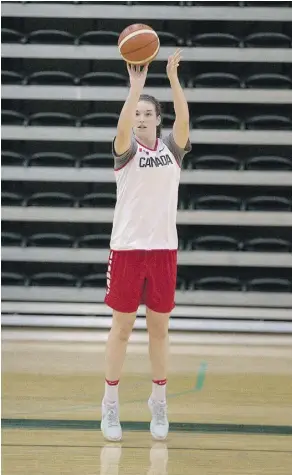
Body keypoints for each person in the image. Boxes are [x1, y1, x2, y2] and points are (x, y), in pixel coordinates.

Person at [101, 49, 191, 441]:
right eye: (136, 114)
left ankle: (159, 401)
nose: (140, 119)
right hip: (126, 250)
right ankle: (109, 404)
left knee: (159, 329)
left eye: (147, 114)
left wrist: (172, 80)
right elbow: (120, 132)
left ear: (158, 120)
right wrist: (135, 88)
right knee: (121, 328)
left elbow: (184, 122)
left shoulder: (171, 150)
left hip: (163, 251)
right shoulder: (127, 152)